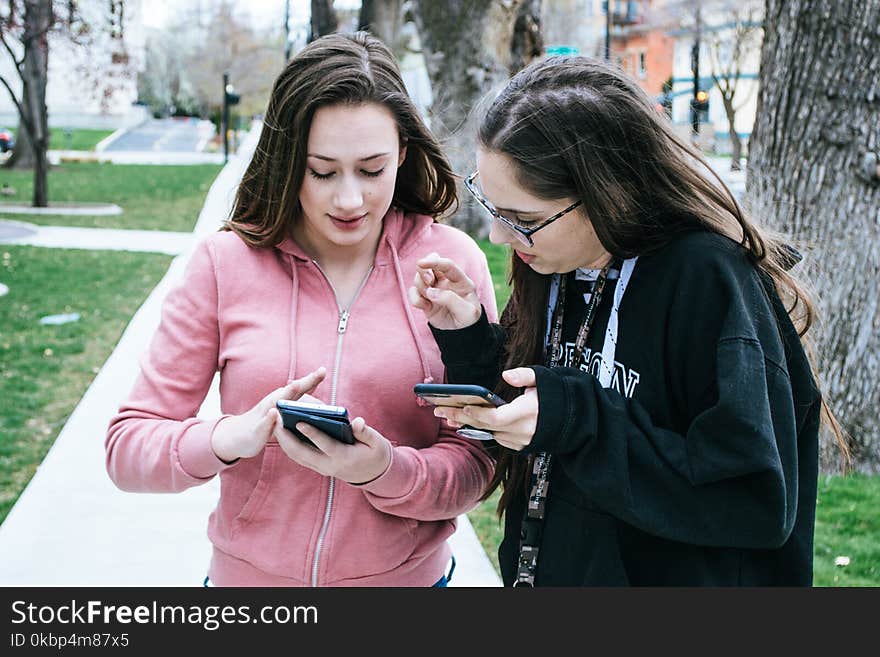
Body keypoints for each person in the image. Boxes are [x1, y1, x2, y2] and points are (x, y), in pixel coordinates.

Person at [409, 55, 849, 586]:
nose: (500, 237)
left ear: (605, 191)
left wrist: (577, 419)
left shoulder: (708, 279)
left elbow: (753, 497)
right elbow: (542, 404)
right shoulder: (555, 261)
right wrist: (471, 339)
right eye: (492, 207)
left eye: (521, 219)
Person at [105, 32, 498, 587]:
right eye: (322, 171)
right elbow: (127, 449)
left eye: (372, 169)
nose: (349, 200)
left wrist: (386, 471)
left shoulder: (452, 264)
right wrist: (227, 439)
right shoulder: (224, 263)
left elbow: (480, 459)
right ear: (289, 160)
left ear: (403, 155)